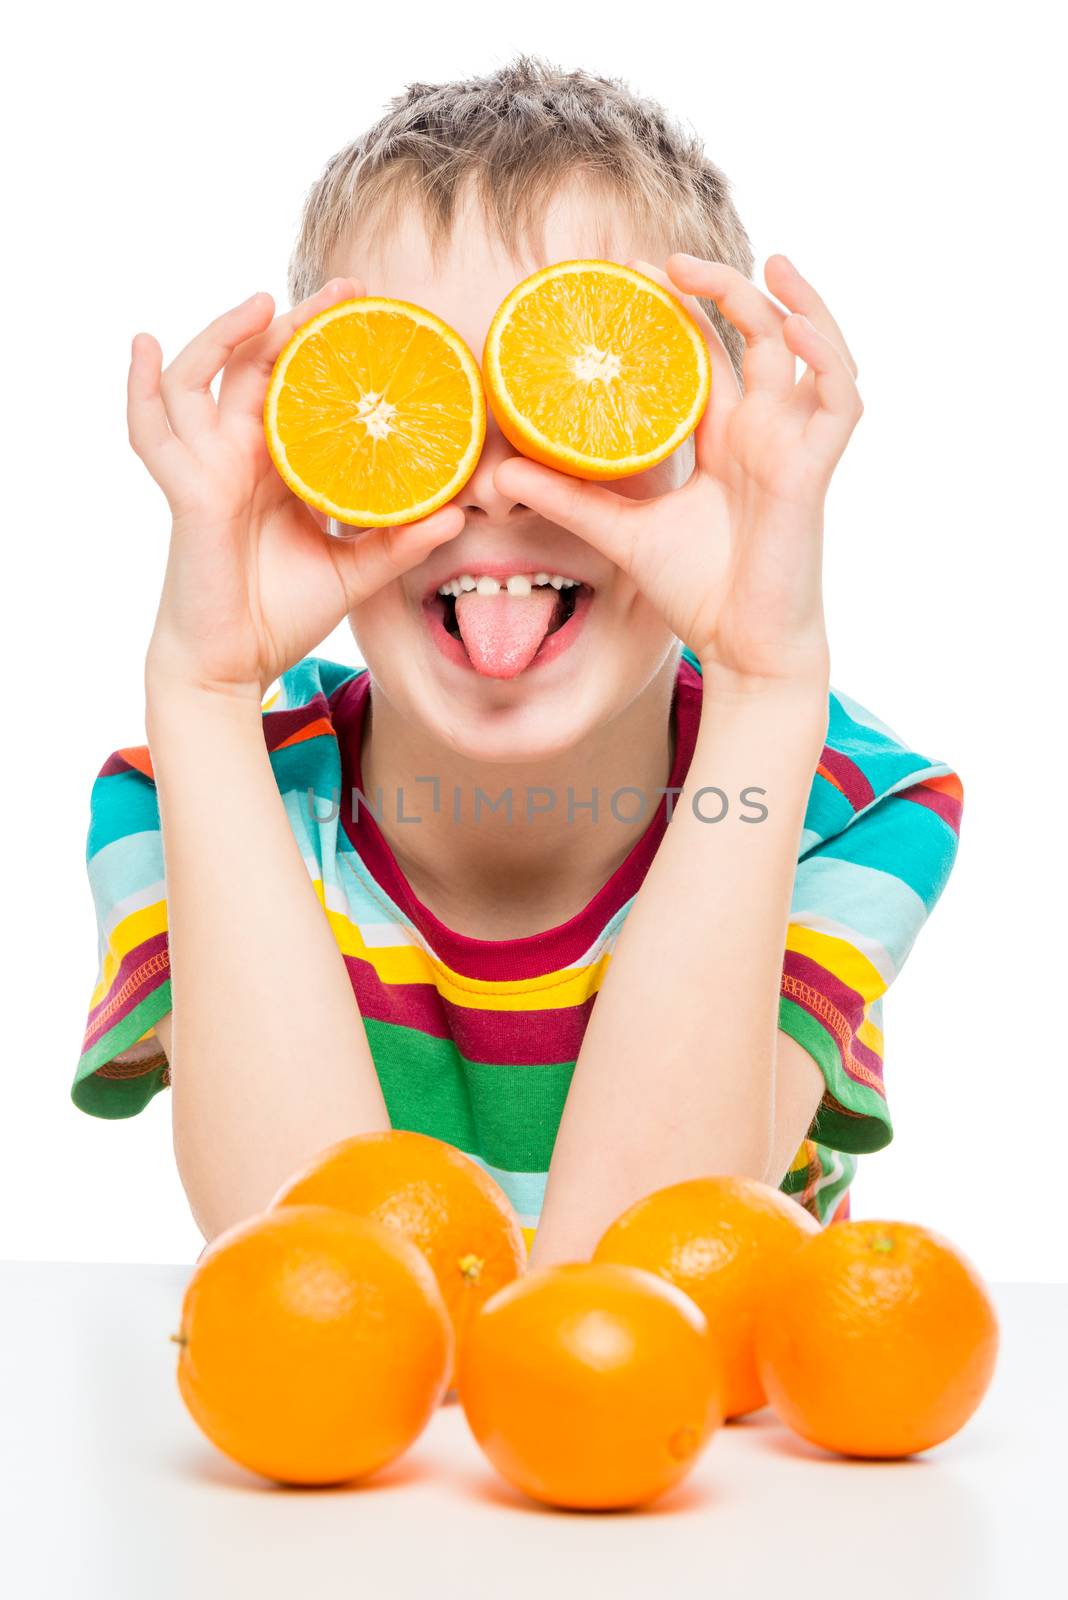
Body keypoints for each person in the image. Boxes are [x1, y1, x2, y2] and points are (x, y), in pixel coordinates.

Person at [75, 59, 961, 1266]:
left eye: (581, 403)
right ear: (311, 449)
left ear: (719, 443)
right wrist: (201, 687)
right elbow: (330, 1287)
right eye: (416, 400)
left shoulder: (846, 809)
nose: (496, 480)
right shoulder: (190, 795)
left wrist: (765, 681)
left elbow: (632, 1285)